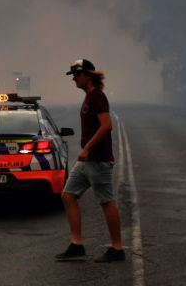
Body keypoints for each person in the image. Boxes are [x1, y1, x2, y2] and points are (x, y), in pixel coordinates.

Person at [56, 59, 125, 263]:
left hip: (99, 160)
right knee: (68, 196)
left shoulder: (97, 97)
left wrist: (86, 148)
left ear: (87, 75)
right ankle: (77, 245)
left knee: (106, 202)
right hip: (87, 162)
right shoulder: (89, 97)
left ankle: (117, 249)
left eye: (76, 75)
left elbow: (107, 126)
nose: (74, 79)